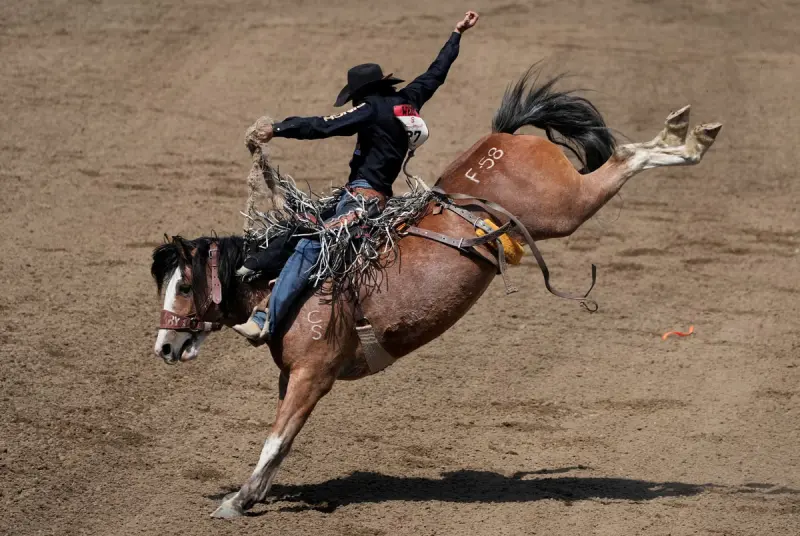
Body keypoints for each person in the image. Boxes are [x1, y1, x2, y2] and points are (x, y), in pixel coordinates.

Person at [233, 10, 480, 343]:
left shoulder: (369, 110)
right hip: (379, 197)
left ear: (360, 94)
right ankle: (257, 264)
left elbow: (323, 126)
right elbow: (435, 73)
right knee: (306, 224)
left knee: (310, 244)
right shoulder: (407, 101)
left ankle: (265, 315)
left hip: (360, 199)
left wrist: (278, 128)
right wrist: (456, 35)